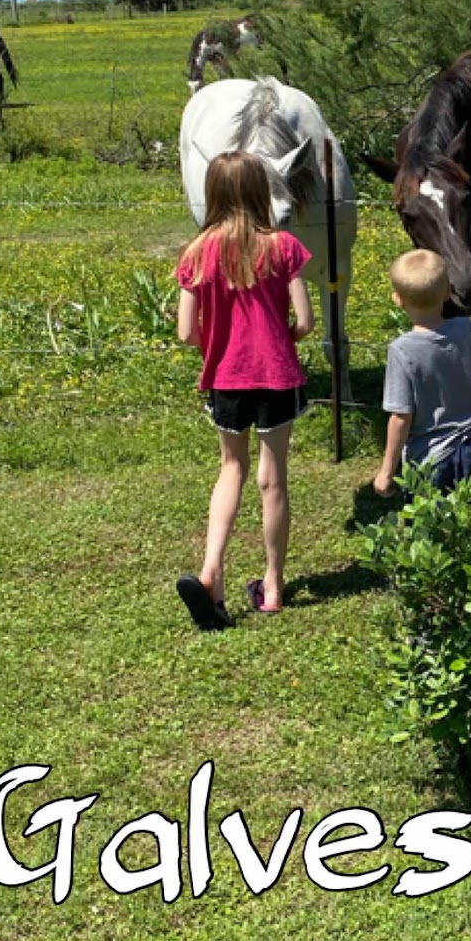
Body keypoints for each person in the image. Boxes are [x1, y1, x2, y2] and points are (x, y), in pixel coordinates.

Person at [174, 149, 313, 629]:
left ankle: (211, 571)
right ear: (260, 191)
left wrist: (220, 345)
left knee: (231, 468)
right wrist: (279, 339)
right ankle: (272, 585)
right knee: (273, 479)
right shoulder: (284, 246)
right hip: (277, 376)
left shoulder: (196, 252)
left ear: (210, 192)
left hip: (226, 377)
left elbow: (186, 332)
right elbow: (304, 321)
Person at [374, 249, 471, 497]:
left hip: (429, 458)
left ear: (398, 299)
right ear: (448, 291)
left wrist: (386, 471)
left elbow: (401, 417)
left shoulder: (402, 350)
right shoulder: (464, 328)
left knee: (429, 520)